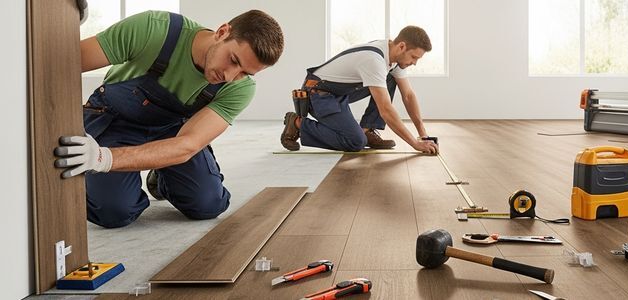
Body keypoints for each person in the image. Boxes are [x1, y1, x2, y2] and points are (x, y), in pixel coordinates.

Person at [53, 10, 285, 228]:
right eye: (233, 60)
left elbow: (187, 145)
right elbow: (60, 64)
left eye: (245, 72)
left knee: (208, 204)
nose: (230, 76)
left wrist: (103, 159)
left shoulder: (240, 89)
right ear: (222, 32)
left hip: (172, 132)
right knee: (114, 212)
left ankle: (161, 176)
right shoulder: (154, 30)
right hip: (114, 120)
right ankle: (133, 179)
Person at [280, 26, 438, 154]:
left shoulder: (392, 57)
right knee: (355, 142)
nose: (414, 63)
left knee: (390, 78)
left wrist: (423, 135)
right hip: (318, 94)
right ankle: (298, 123)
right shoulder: (374, 60)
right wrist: (415, 144)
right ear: (402, 46)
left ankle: (367, 129)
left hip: (338, 93)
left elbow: (408, 96)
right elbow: (386, 110)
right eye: (414, 57)